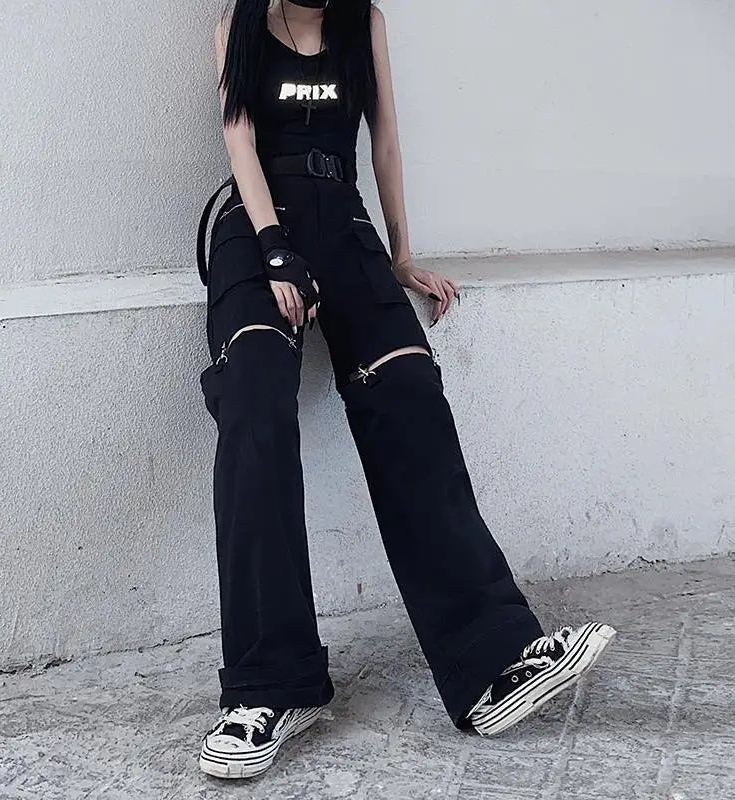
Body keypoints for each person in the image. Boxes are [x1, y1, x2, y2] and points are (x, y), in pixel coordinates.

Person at [196, 0, 616, 780]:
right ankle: (268, 688)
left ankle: (493, 662)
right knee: (255, 400)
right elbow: (239, 137)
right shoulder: (240, 22)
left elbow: (384, 140)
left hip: (343, 222)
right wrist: (276, 252)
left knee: (410, 393)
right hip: (255, 230)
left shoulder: (365, 22)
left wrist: (400, 255)